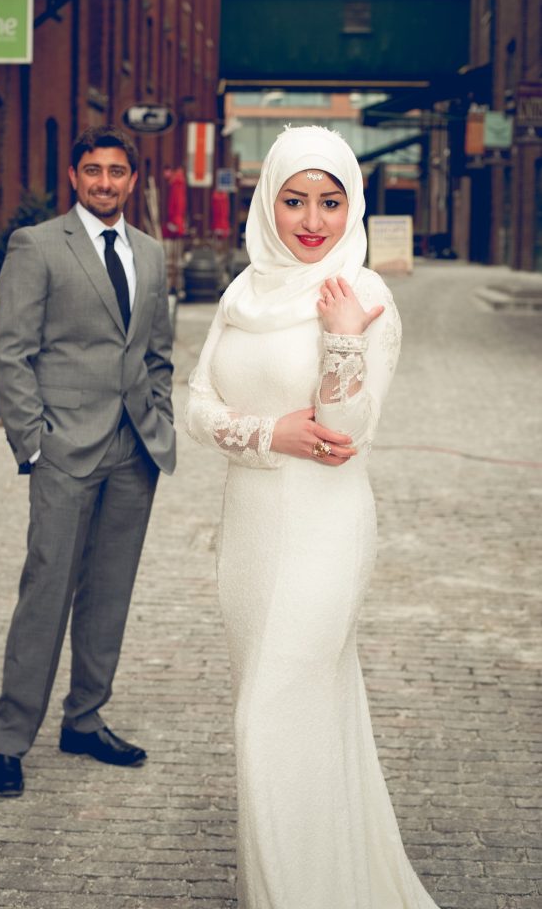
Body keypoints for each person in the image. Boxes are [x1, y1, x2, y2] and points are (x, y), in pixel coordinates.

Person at [186, 125, 440, 908]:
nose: (311, 220)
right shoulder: (242, 293)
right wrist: (268, 433)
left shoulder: (364, 297)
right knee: (292, 712)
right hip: (249, 533)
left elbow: (343, 435)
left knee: (269, 714)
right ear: (267, 200)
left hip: (324, 532)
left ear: (350, 205)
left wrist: (341, 339)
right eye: (293, 200)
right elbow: (195, 406)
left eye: (330, 202)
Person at [0, 124, 176, 798]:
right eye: (92, 170)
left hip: (133, 450)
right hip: (64, 450)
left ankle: (84, 721)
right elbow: (9, 350)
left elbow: (157, 352)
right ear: (73, 176)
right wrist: (33, 442)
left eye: (116, 171)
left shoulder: (150, 253)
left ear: (132, 179)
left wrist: (159, 422)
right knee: (46, 593)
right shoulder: (37, 245)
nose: (104, 182)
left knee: (109, 596)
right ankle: (9, 740)